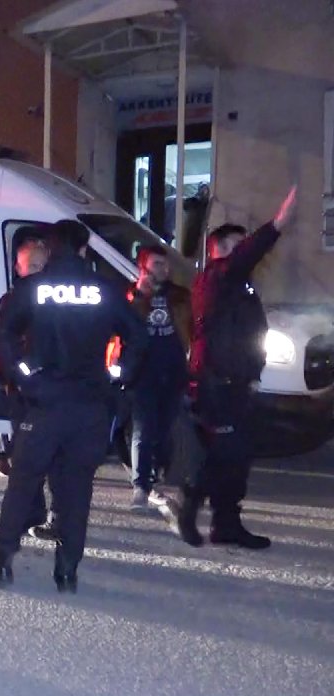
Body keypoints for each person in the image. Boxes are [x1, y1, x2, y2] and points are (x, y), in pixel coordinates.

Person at [0, 220, 145, 592]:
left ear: (50, 248)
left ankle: (0, 557)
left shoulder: (33, 288)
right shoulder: (105, 290)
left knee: (23, 482)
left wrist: (24, 375)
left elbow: (1, 335)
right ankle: (67, 568)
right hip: (90, 405)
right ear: (83, 249)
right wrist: (117, 373)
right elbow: (138, 335)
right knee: (77, 488)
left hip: (44, 402)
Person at [176, 186, 297, 549]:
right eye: (239, 245)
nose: (247, 251)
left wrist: (253, 374)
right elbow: (247, 256)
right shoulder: (218, 277)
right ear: (221, 249)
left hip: (232, 382)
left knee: (232, 455)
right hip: (218, 384)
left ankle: (220, 520)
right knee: (229, 453)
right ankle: (198, 506)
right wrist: (276, 225)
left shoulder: (235, 285)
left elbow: (247, 333)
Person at [125, 244, 191, 509]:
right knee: (142, 429)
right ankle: (141, 486)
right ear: (144, 267)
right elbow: (127, 326)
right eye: (157, 264)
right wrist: (142, 295)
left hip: (173, 370)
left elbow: (192, 326)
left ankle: (156, 471)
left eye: (166, 264)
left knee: (164, 429)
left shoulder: (180, 295)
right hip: (143, 372)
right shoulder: (132, 295)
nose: (164, 269)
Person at [0, 234, 48, 479]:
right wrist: (18, 373)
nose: (38, 271)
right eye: (32, 265)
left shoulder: (51, 298)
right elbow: (1, 342)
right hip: (23, 380)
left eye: (42, 266)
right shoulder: (12, 301)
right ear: (18, 269)